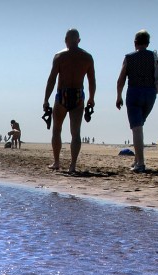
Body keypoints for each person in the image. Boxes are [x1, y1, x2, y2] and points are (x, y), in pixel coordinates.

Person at [43, 28, 96, 173]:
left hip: (63, 94)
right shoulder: (87, 57)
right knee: (76, 132)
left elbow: (52, 80)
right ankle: (72, 165)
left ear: (66, 40)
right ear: (78, 40)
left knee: (56, 130)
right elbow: (92, 81)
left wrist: (46, 99)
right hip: (78, 94)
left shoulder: (59, 56)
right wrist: (91, 98)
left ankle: (56, 162)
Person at [116, 29, 158, 172]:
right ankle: (137, 160)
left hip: (134, 92)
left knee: (137, 128)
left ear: (135, 43)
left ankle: (140, 164)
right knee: (139, 126)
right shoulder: (154, 57)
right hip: (150, 94)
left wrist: (118, 96)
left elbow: (121, 80)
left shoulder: (129, 58)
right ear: (148, 43)